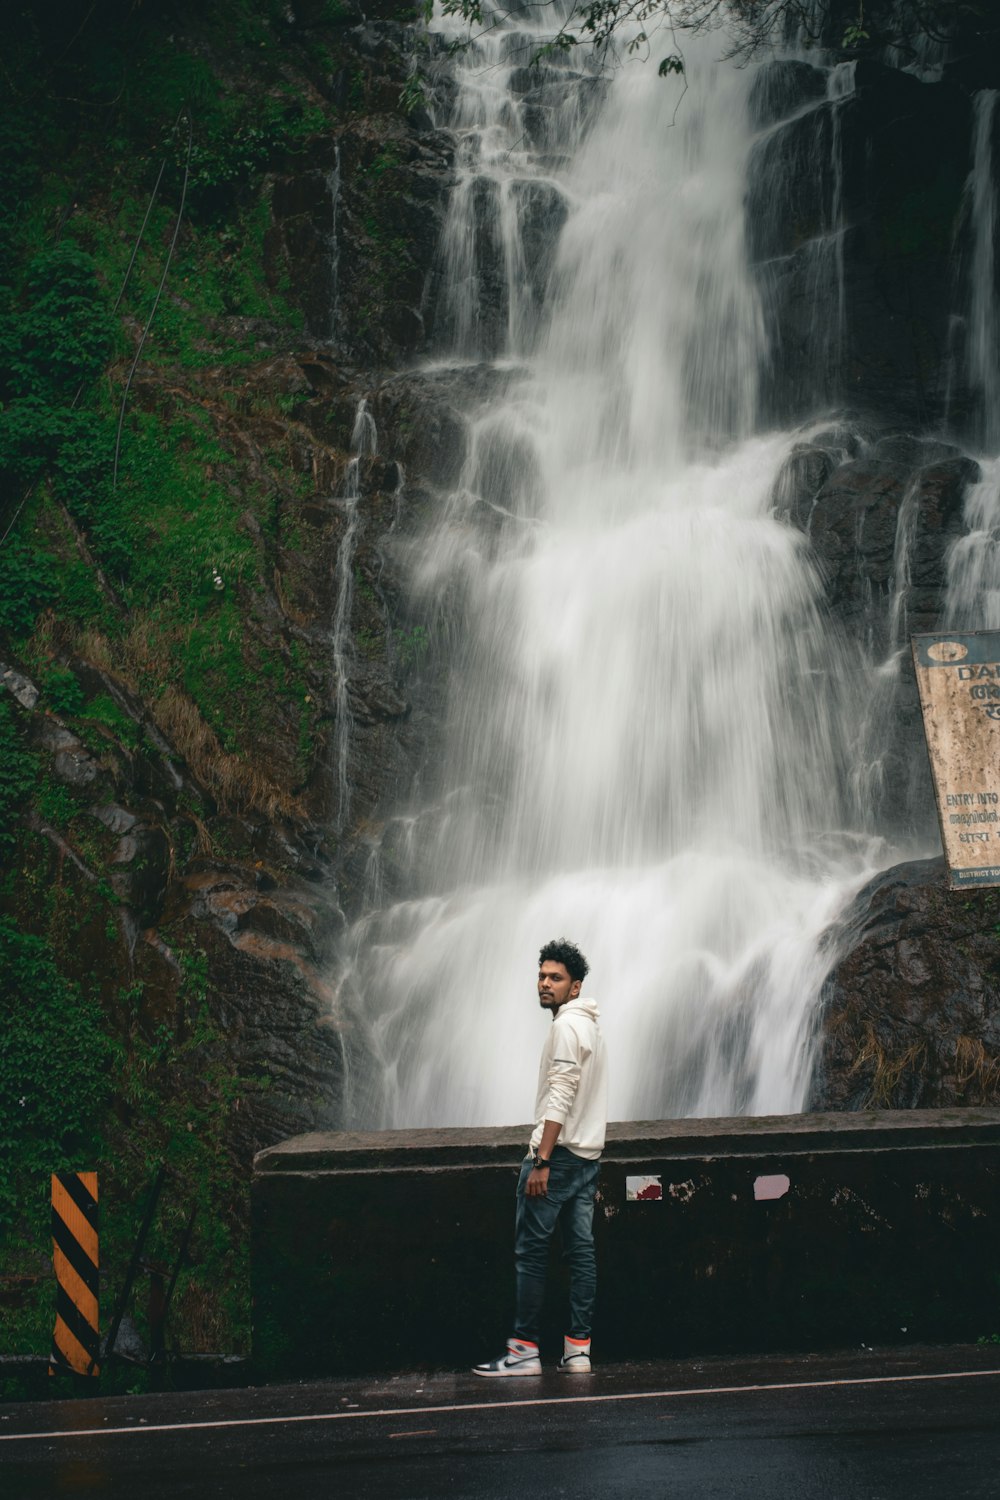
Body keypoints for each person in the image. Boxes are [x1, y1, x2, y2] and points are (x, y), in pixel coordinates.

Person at [473, 937, 608, 1376]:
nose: (544, 984)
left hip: (561, 1157)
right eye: (542, 976)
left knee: (532, 1254)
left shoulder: (566, 1027)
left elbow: (563, 1093)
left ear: (575, 987)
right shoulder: (591, 1027)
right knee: (581, 1254)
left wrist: (542, 1160)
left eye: (556, 978)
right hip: (588, 1159)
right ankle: (578, 1350)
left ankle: (524, 1352)